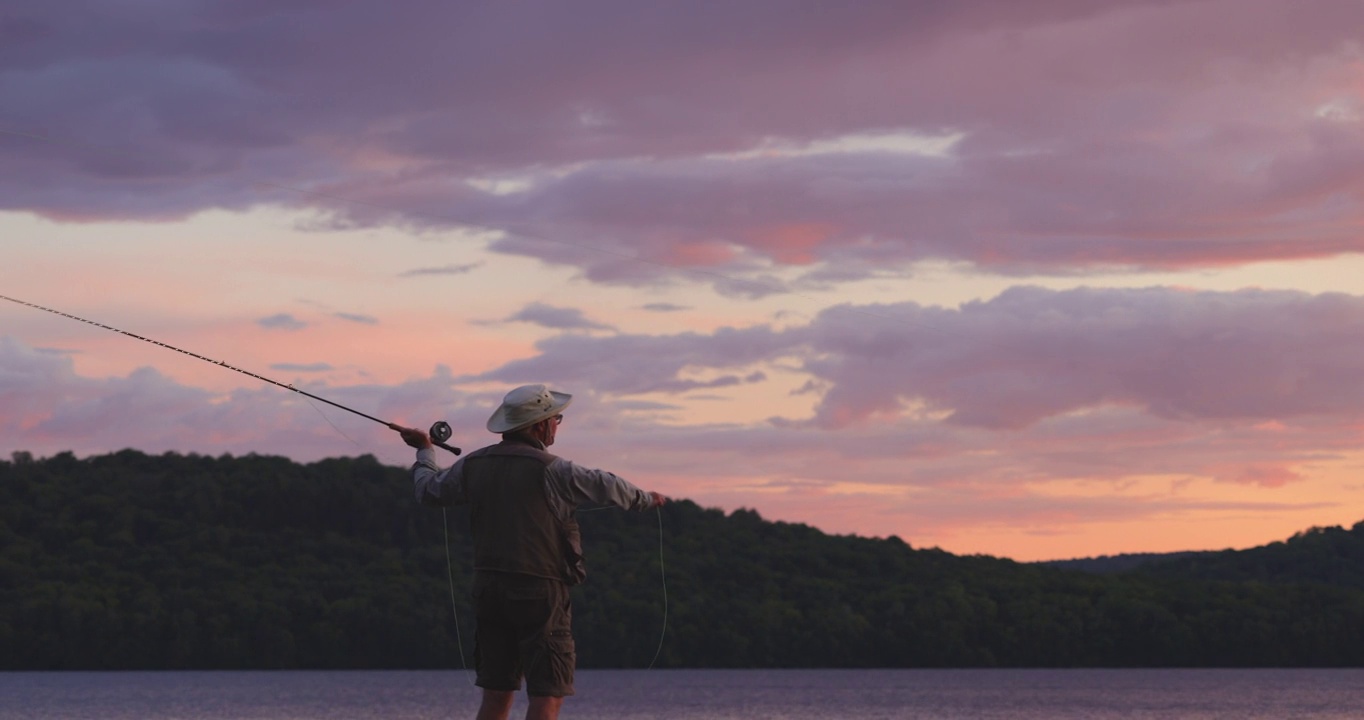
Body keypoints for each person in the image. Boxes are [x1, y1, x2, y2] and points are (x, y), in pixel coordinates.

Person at [390, 384, 667, 720]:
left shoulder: (472, 465)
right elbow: (605, 484)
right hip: (541, 592)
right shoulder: (554, 469)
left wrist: (424, 451)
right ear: (539, 426)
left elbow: (427, 491)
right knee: (547, 695)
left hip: (489, 590)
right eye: (556, 419)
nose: (556, 426)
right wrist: (645, 499)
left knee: (496, 695)